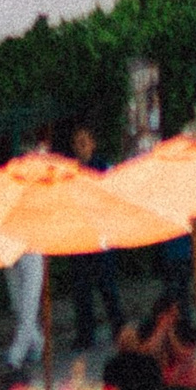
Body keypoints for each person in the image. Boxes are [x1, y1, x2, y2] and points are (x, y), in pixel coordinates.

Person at [70, 129, 126, 352]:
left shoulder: (103, 168)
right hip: (80, 236)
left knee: (107, 286)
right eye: (76, 143)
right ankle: (85, 334)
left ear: (93, 144)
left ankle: (119, 329)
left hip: (101, 235)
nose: (80, 147)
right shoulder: (72, 171)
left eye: (84, 142)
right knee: (81, 289)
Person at [8, 248, 47, 383]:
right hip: (12, 251)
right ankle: (38, 343)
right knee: (19, 307)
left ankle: (16, 356)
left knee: (28, 308)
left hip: (33, 252)